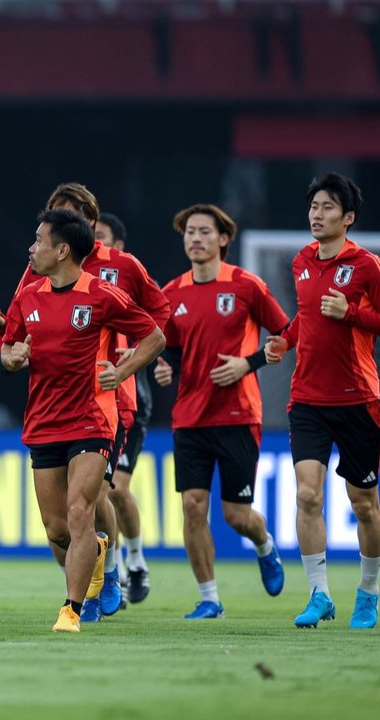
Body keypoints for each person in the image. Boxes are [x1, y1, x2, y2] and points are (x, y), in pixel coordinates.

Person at [0, 183, 169, 622]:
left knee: (82, 508)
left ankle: (72, 608)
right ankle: (101, 553)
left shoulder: (105, 291)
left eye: (38, 241)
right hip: (44, 419)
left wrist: (122, 372)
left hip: (93, 417)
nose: (30, 249)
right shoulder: (28, 294)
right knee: (58, 529)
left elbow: (155, 334)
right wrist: (13, 356)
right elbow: (8, 350)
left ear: (63, 249)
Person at [153, 203, 288, 619]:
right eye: (189, 232)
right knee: (193, 505)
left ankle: (265, 545)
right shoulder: (171, 293)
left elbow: (285, 334)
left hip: (238, 414)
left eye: (204, 232)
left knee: (236, 515)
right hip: (190, 417)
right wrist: (165, 367)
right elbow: (172, 348)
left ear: (223, 239)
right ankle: (209, 597)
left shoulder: (247, 286)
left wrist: (249, 363)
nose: (195, 239)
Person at [265, 172, 380, 630]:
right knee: (308, 494)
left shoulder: (368, 266)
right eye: (314, 206)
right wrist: (284, 340)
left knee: (364, 503)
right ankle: (319, 594)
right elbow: (307, 317)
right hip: (307, 398)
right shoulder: (301, 261)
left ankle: (368, 592)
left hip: (358, 400)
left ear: (348, 218)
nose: (317, 214)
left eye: (328, 207)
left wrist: (351, 312)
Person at [96, 212, 152, 604]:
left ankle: (133, 561)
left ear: (117, 246)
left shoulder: (124, 280)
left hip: (129, 399)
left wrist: (153, 358)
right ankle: (110, 568)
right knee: (96, 495)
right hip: (89, 402)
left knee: (115, 488)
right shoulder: (68, 281)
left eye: (100, 236)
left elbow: (159, 325)